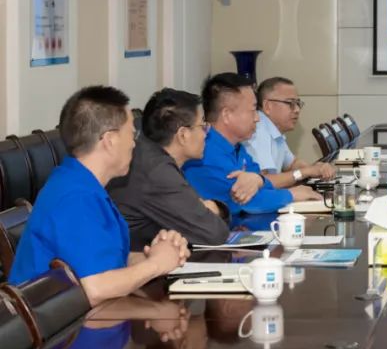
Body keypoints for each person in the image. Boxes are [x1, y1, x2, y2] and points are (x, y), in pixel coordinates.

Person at [8, 86, 190, 305]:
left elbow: (112, 263)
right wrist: (155, 266)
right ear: (110, 140)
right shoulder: (74, 197)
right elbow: (95, 288)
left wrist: (160, 254)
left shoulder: (83, 184)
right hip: (61, 335)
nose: (134, 143)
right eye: (132, 134)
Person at [109, 89, 231, 251]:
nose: (206, 134)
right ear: (183, 135)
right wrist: (216, 208)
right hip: (132, 261)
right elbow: (214, 233)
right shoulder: (156, 170)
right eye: (203, 126)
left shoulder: (148, 155)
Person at [183, 73, 320, 214]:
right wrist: (292, 194)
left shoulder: (237, 147)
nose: (257, 118)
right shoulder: (205, 151)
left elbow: (260, 185)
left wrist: (258, 179)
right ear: (227, 115)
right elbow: (245, 202)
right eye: (253, 110)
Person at [244, 76, 335, 188]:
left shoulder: (275, 130)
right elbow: (263, 182)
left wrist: (317, 168)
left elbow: (291, 164)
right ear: (267, 106)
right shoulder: (258, 131)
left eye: (298, 103)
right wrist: (306, 172)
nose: (297, 109)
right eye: (290, 103)